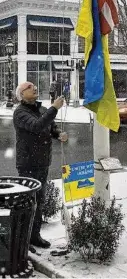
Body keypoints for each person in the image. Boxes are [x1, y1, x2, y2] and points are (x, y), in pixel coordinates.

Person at [13, 81, 64, 249]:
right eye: (29, 87)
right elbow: (36, 126)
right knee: (28, 203)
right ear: (21, 95)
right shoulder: (20, 113)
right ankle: (23, 239)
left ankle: (35, 236)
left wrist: (58, 134)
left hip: (43, 162)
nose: (34, 88)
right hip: (27, 165)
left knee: (40, 201)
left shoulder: (41, 109)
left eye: (34, 86)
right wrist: (54, 108)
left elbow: (49, 127)